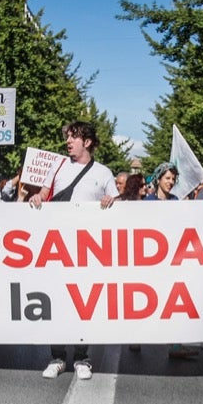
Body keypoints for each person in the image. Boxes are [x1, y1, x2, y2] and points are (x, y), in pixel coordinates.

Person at [30, 120, 117, 379]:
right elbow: (45, 194)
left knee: (83, 302)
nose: (68, 141)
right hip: (58, 248)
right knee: (56, 300)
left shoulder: (103, 173)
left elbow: (119, 208)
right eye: (67, 137)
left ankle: (82, 357)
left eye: (73, 137)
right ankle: (57, 356)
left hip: (88, 252)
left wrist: (111, 200)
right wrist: (37, 197)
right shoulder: (57, 168)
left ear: (87, 142)